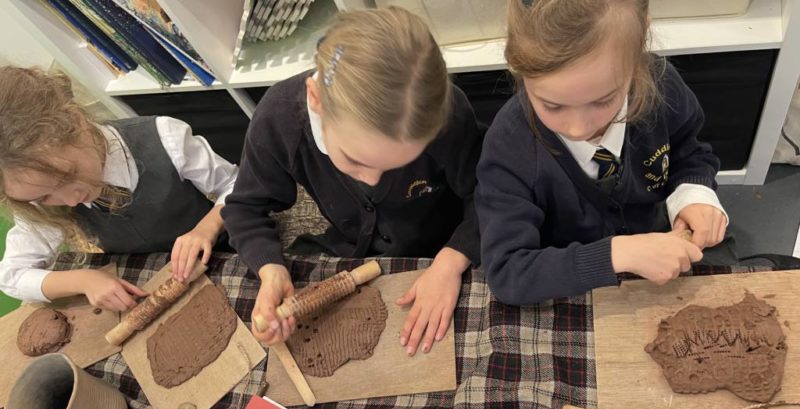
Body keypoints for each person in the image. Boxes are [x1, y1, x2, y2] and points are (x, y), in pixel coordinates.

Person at [222, 6, 484, 356]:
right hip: (353, 251)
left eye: (399, 165)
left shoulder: (445, 114)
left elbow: (493, 192)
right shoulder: (279, 119)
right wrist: (270, 270)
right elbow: (244, 209)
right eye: (356, 161)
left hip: (448, 247)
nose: (373, 180)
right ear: (315, 101)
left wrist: (452, 261)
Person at [475, 0, 730, 306]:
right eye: (552, 106)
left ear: (637, 53)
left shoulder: (663, 88)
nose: (578, 128)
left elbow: (690, 152)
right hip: (565, 285)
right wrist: (618, 253)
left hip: (659, 249)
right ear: (517, 66)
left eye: (603, 101)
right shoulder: (508, 146)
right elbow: (507, 273)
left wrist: (693, 193)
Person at [0, 66, 238, 311]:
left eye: (68, 176)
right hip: (146, 279)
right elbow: (11, 275)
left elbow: (234, 185)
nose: (71, 201)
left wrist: (206, 228)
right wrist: (82, 280)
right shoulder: (32, 191)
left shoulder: (166, 138)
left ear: (77, 122)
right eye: (45, 197)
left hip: (223, 251)